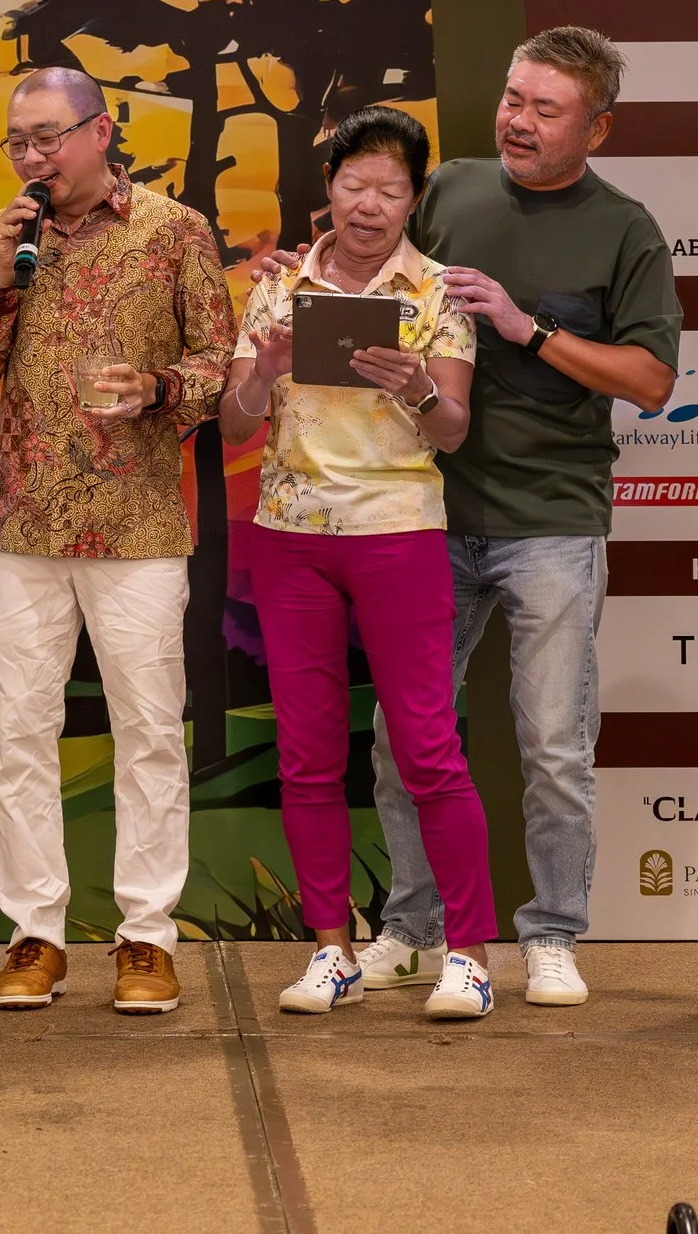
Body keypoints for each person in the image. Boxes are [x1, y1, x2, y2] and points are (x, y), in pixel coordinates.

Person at [347, 27, 681, 1009]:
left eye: (544, 108)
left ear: (596, 128)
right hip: (424, 510)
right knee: (402, 736)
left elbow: (651, 379)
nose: (518, 121)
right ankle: (412, 928)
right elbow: (376, 285)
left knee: (554, 745)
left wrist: (526, 328)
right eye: (511, 98)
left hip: (553, 521)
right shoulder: (448, 190)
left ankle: (552, 932)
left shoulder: (625, 230)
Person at [0, 66, 233, 1014]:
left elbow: (217, 363)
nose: (32, 158)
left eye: (48, 138)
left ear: (101, 132)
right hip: (20, 520)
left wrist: (157, 387)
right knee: (17, 733)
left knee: (148, 731)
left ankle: (146, 935)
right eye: (17, 142)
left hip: (138, 521)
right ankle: (35, 932)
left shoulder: (174, 228)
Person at [219, 108, 500, 1021]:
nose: (369, 204)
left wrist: (417, 386)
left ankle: (469, 955)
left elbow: (451, 431)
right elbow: (234, 424)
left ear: (413, 199)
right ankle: (331, 950)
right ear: (329, 187)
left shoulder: (437, 293)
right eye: (354, 184)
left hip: (398, 531)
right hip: (290, 535)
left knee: (428, 747)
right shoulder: (276, 286)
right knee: (305, 756)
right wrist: (262, 370)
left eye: (390, 189)